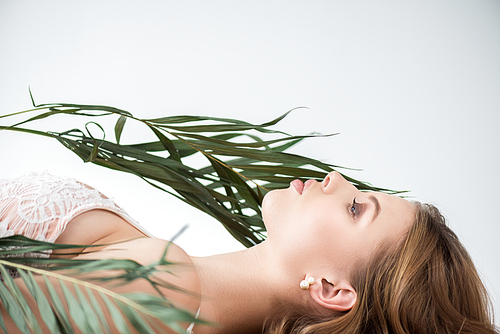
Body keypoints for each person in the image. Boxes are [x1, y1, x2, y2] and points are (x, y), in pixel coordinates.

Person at [0, 171, 497, 334]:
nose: (334, 178)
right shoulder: (177, 291)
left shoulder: (164, 289)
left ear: (330, 288)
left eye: (353, 208)